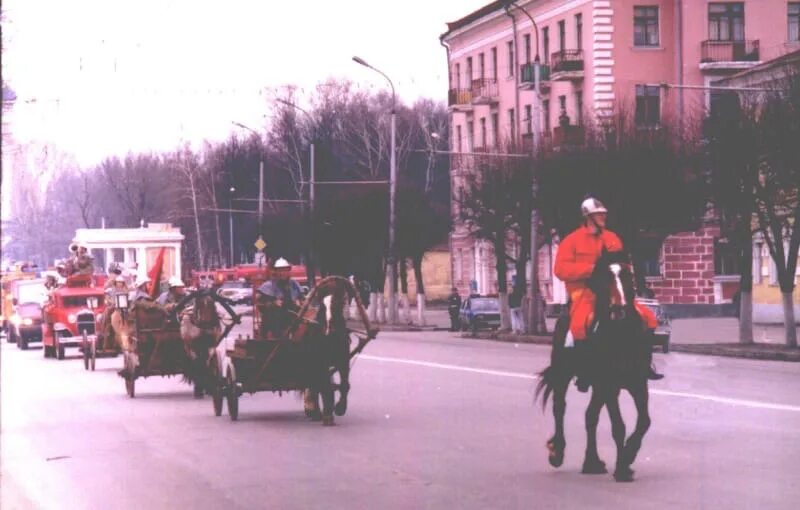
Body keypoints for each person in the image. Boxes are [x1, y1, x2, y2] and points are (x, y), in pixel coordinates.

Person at [553, 196, 663, 392]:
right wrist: (590, 269)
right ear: (588, 217)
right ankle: (583, 371)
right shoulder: (572, 241)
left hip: (613, 289)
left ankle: (644, 364)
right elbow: (560, 270)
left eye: (604, 214)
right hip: (584, 292)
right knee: (579, 324)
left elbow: (622, 262)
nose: (604, 217)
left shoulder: (612, 238)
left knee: (648, 317)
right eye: (599, 215)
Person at [256, 257, 304, 339]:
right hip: (274, 321)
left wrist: (299, 302)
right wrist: (272, 304)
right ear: (276, 272)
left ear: (288, 271)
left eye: (284, 270)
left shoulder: (294, 285)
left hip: (291, 318)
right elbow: (260, 304)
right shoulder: (268, 286)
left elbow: (302, 299)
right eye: (280, 270)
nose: (282, 273)